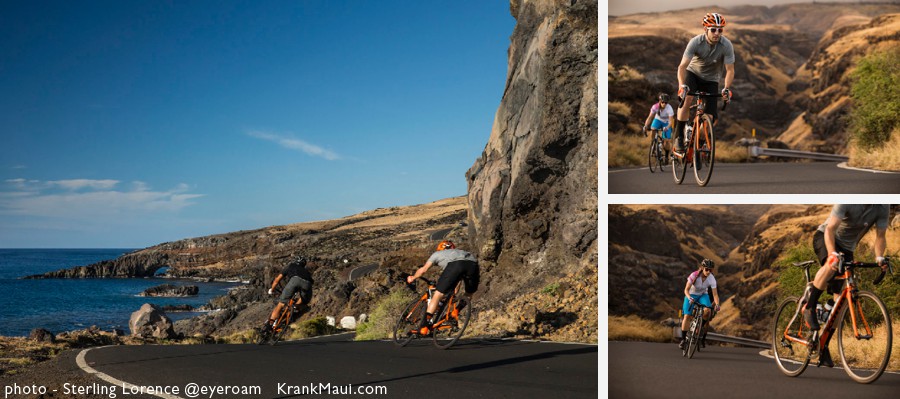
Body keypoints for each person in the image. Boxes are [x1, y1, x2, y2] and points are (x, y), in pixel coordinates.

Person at [802, 204, 890, 368]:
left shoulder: (883, 206)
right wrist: (831, 254)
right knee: (830, 266)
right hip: (827, 237)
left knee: (841, 304)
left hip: (848, 248)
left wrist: (879, 257)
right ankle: (810, 306)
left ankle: (823, 345)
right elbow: (830, 229)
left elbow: (880, 236)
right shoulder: (849, 200)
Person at [673, 12, 735, 153]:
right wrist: (682, 86)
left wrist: (726, 88)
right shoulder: (695, 42)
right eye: (713, 29)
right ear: (705, 29)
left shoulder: (726, 45)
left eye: (720, 30)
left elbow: (730, 70)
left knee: (711, 119)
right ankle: (679, 136)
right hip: (693, 74)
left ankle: (699, 144)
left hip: (711, 80)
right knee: (687, 99)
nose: (717, 33)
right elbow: (682, 67)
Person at [406, 240, 480, 333]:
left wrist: (413, 277)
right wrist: (455, 290)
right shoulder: (459, 252)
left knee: (438, 295)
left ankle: (424, 327)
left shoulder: (437, 254)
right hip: (473, 264)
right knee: (469, 292)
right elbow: (459, 279)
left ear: (439, 248)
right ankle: (456, 311)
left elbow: (423, 270)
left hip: (455, 266)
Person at [262, 255, 314, 332]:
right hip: (308, 284)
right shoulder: (306, 272)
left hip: (294, 281)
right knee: (304, 301)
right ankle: (295, 307)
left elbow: (277, 280)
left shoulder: (290, 266)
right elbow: (311, 282)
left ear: (295, 261)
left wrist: (271, 290)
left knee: (280, 305)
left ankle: (269, 325)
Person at [678, 259, 720, 350]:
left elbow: (715, 294)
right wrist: (689, 297)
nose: (708, 272)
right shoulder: (694, 275)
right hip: (691, 295)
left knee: (707, 311)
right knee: (687, 316)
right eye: (707, 269)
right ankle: (683, 340)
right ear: (702, 268)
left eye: (711, 270)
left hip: (702, 295)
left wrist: (717, 304)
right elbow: (686, 289)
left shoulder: (711, 278)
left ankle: (699, 325)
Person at [642, 93, 675, 160]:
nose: (664, 104)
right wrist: (645, 126)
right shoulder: (655, 107)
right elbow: (650, 117)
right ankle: (653, 144)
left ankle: (666, 155)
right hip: (658, 120)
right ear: (660, 101)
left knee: (666, 141)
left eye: (666, 102)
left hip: (667, 122)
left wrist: (667, 127)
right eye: (663, 102)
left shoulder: (669, 108)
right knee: (653, 129)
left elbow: (671, 121)